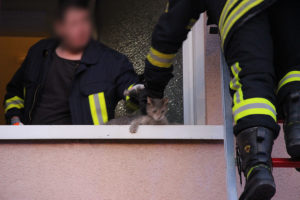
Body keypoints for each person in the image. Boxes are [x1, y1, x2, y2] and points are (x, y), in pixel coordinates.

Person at [143, 0, 300, 199]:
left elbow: (173, 23)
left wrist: (153, 85)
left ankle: (257, 168)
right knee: (294, 67)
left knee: (253, 82)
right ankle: (297, 128)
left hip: (241, 8)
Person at [3, 0, 142, 125]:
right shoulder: (39, 53)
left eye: (85, 21)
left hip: (89, 148)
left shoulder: (112, 61)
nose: (82, 29)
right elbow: (15, 91)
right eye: (74, 23)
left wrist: (140, 92)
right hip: (35, 144)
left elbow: (133, 90)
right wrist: (14, 120)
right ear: (60, 27)